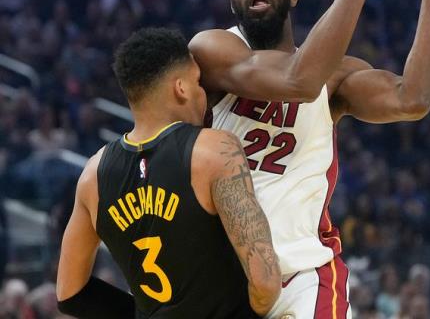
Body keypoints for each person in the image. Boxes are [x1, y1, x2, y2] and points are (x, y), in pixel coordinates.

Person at [189, 0, 430, 317]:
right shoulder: (212, 51)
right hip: (223, 273)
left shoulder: (333, 77)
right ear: (232, 0)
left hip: (305, 273)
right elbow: (300, 80)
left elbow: (412, 98)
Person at [56, 28, 281, 318]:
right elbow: (265, 282)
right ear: (181, 88)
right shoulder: (214, 150)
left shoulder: (93, 175)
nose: (204, 94)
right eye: (198, 82)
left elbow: (69, 294)